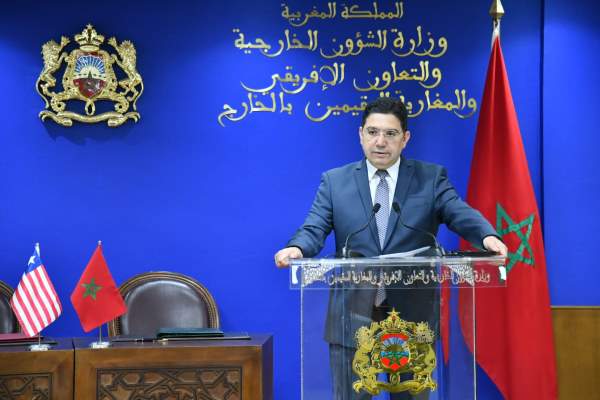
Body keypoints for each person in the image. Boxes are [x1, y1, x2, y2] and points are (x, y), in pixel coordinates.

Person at [274, 97, 507, 399]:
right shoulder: (335, 182)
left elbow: (457, 211)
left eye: (390, 133)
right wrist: (297, 248)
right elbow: (314, 227)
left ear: (405, 138)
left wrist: (486, 236)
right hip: (352, 314)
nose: (380, 142)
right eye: (372, 132)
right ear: (361, 134)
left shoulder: (430, 179)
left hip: (412, 317)